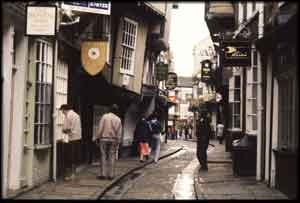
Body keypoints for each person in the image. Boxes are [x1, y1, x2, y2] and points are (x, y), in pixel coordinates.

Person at [93, 104, 122, 180]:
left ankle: (103, 174)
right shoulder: (118, 119)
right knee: (112, 156)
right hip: (113, 139)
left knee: (103, 156)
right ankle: (111, 175)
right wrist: (118, 141)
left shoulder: (104, 117)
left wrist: (97, 137)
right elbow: (119, 132)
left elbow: (100, 128)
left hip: (103, 139)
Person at [60, 104, 82, 181]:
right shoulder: (76, 115)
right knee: (74, 157)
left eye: (62, 110)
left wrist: (63, 130)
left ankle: (68, 176)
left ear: (64, 109)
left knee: (68, 157)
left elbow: (67, 129)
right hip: (77, 138)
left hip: (70, 139)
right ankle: (73, 174)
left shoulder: (68, 116)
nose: (62, 112)